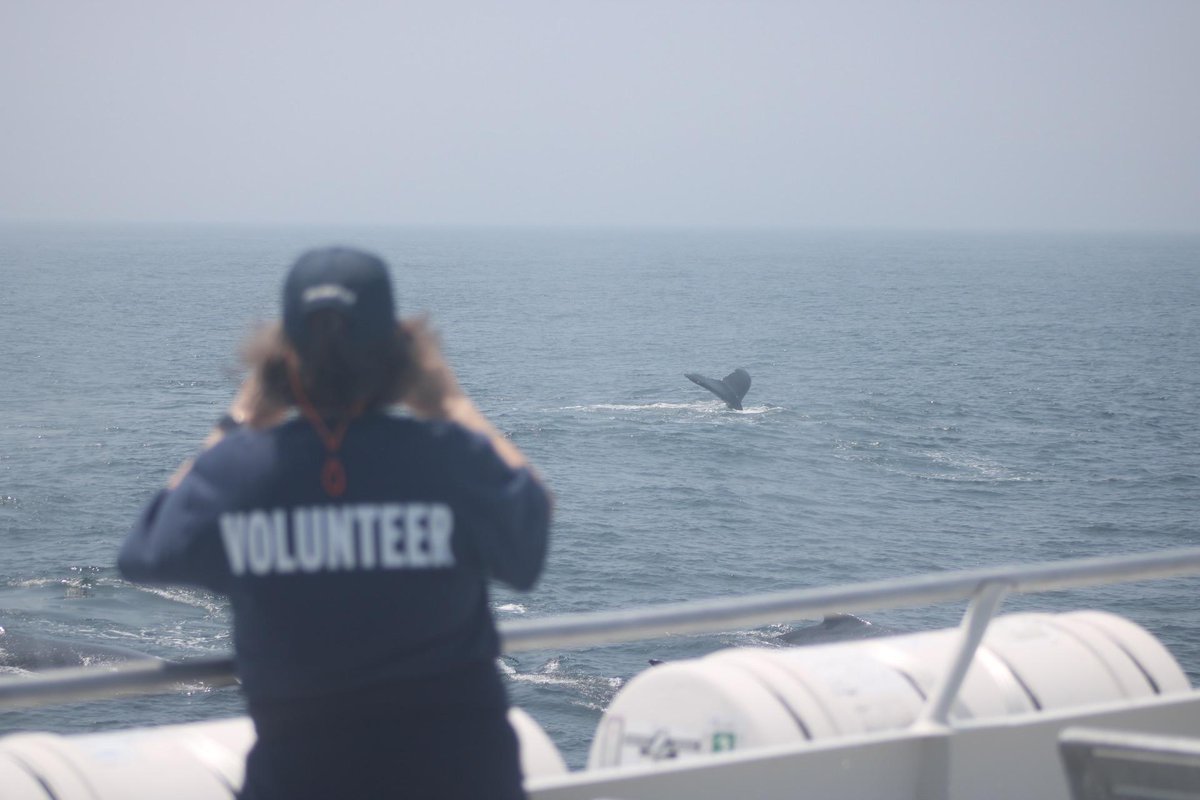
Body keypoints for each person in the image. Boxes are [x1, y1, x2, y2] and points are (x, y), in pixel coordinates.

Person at [118, 246, 552, 800]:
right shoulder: (449, 462)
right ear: (401, 355)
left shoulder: (241, 474)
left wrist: (241, 418)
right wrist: (449, 402)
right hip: (462, 779)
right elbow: (530, 531)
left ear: (281, 358)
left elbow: (145, 549)